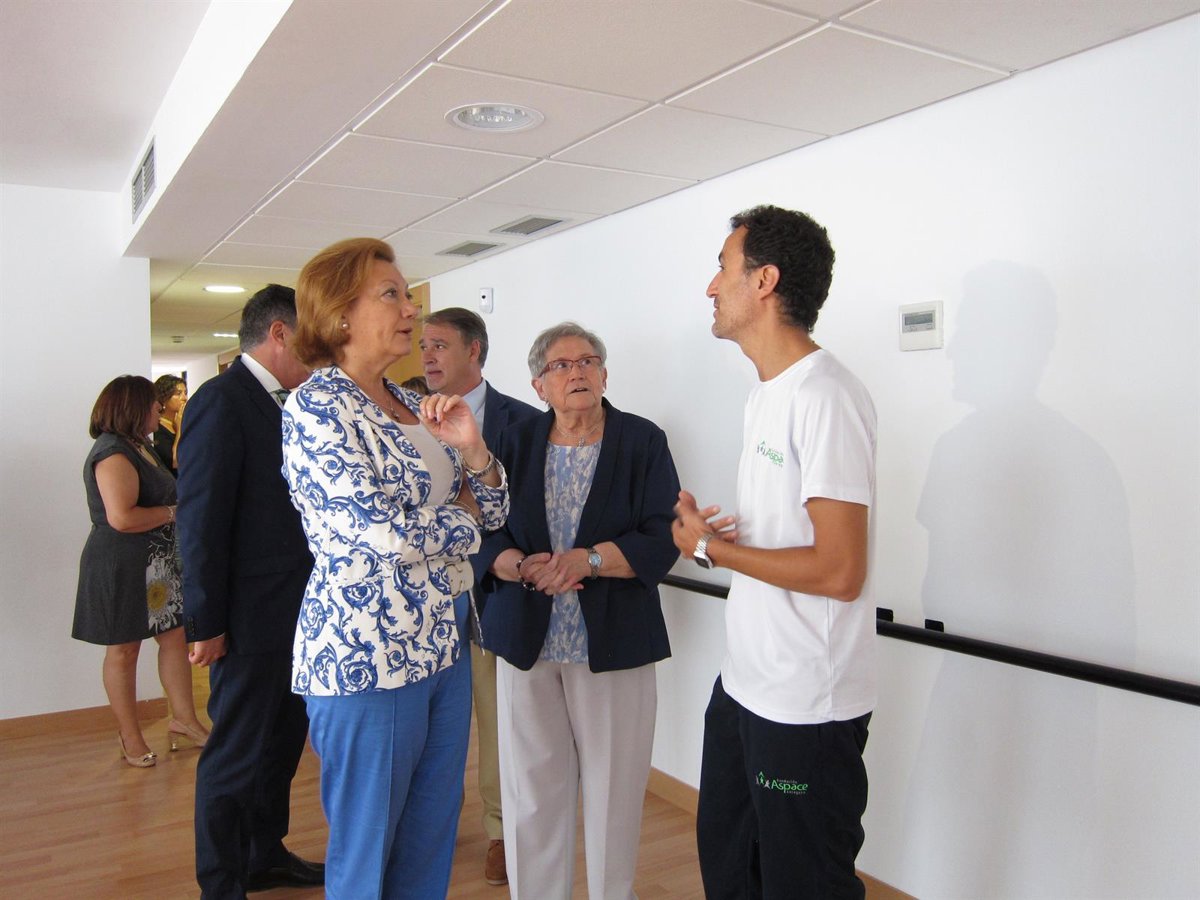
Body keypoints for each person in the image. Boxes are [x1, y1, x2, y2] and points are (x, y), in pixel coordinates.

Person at [281, 238, 509, 899]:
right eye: (392, 295)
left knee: (430, 837)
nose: (412, 309)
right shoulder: (317, 406)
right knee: (367, 852)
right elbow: (381, 532)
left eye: (408, 295)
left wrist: (474, 451)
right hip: (366, 657)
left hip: (442, 646)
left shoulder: (413, 401)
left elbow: (494, 508)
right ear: (340, 314)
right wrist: (461, 519)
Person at [672, 205, 878, 899]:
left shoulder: (826, 396)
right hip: (745, 685)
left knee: (802, 885)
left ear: (764, 281)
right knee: (730, 873)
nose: (711, 287)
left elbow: (841, 571)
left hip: (805, 706)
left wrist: (712, 549)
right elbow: (793, 544)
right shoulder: (766, 395)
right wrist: (714, 544)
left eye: (722, 269)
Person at [473, 321, 680, 900]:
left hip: (612, 642)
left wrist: (587, 561)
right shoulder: (511, 441)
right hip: (527, 640)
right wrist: (518, 565)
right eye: (561, 365)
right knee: (531, 792)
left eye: (588, 361)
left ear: (605, 375)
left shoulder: (642, 440)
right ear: (539, 385)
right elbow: (482, 525)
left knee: (615, 791)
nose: (577, 372)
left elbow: (663, 534)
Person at [177, 285, 323, 898]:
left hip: (298, 613)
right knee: (236, 753)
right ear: (279, 332)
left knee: (281, 745)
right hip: (246, 618)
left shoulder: (293, 404)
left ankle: (264, 855)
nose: (319, 351)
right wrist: (206, 623)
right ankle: (221, 881)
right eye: (310, 336)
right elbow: (201, 522)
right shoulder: (221, 401)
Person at [419, 306, 539, 886]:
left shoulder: (524, 422)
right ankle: (428, 827)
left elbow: (525, 511)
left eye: (439, 345)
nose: (427, 356)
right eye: (423, 345)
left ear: (475, 351)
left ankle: (500, 831)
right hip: (422, 599)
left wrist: (491, 550)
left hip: (491, 593)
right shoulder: (406, 420)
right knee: (431, 727)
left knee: (496, 719)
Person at [72, 375, 209, 768]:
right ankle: (129, 736)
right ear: (132, 408)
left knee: (174, 636)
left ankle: (184, 720)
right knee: (125, 648)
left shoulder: (139, 446)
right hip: (122, 562)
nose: (158, 409)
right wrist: (174, 513)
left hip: (154, 561)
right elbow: (122, 518)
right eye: (152, 404)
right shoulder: (112, 451)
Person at [151, 374, 186, 474]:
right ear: (164, 398)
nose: (184, 398)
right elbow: (175, 462)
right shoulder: (157, 428)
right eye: (178, 394)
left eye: (185, 393)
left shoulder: (183, 421)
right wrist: (179, 430)